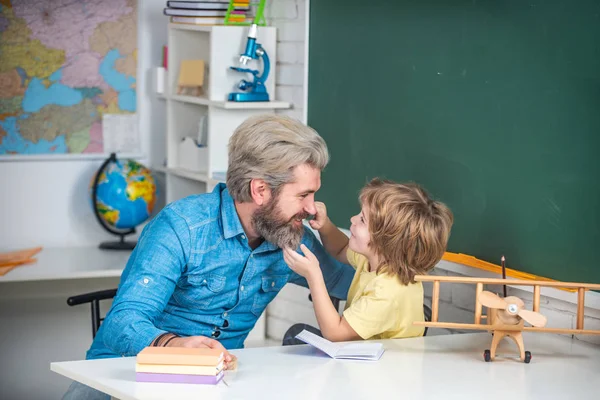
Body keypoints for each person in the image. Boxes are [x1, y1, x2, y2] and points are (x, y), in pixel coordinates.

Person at [62, 114, 355, 399]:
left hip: (212, 384)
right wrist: (173, 345)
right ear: (260, 190)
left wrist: (372, 248)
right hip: (119, 374)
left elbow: (346, 285)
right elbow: (121, 322)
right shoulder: (182, 226)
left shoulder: (290, 234)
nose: (312, 207)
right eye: (303, 195)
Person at [282, 178, 453, 343]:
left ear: (385, 242)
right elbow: (340, 249)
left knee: (295, 338)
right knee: (296, 335)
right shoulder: (376, 260)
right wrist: (325, 225)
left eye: (362, 220)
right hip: (365, 355)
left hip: (380, 368)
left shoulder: (386, 293)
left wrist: (314, 276)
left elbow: (335, 334)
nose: (353, 220)